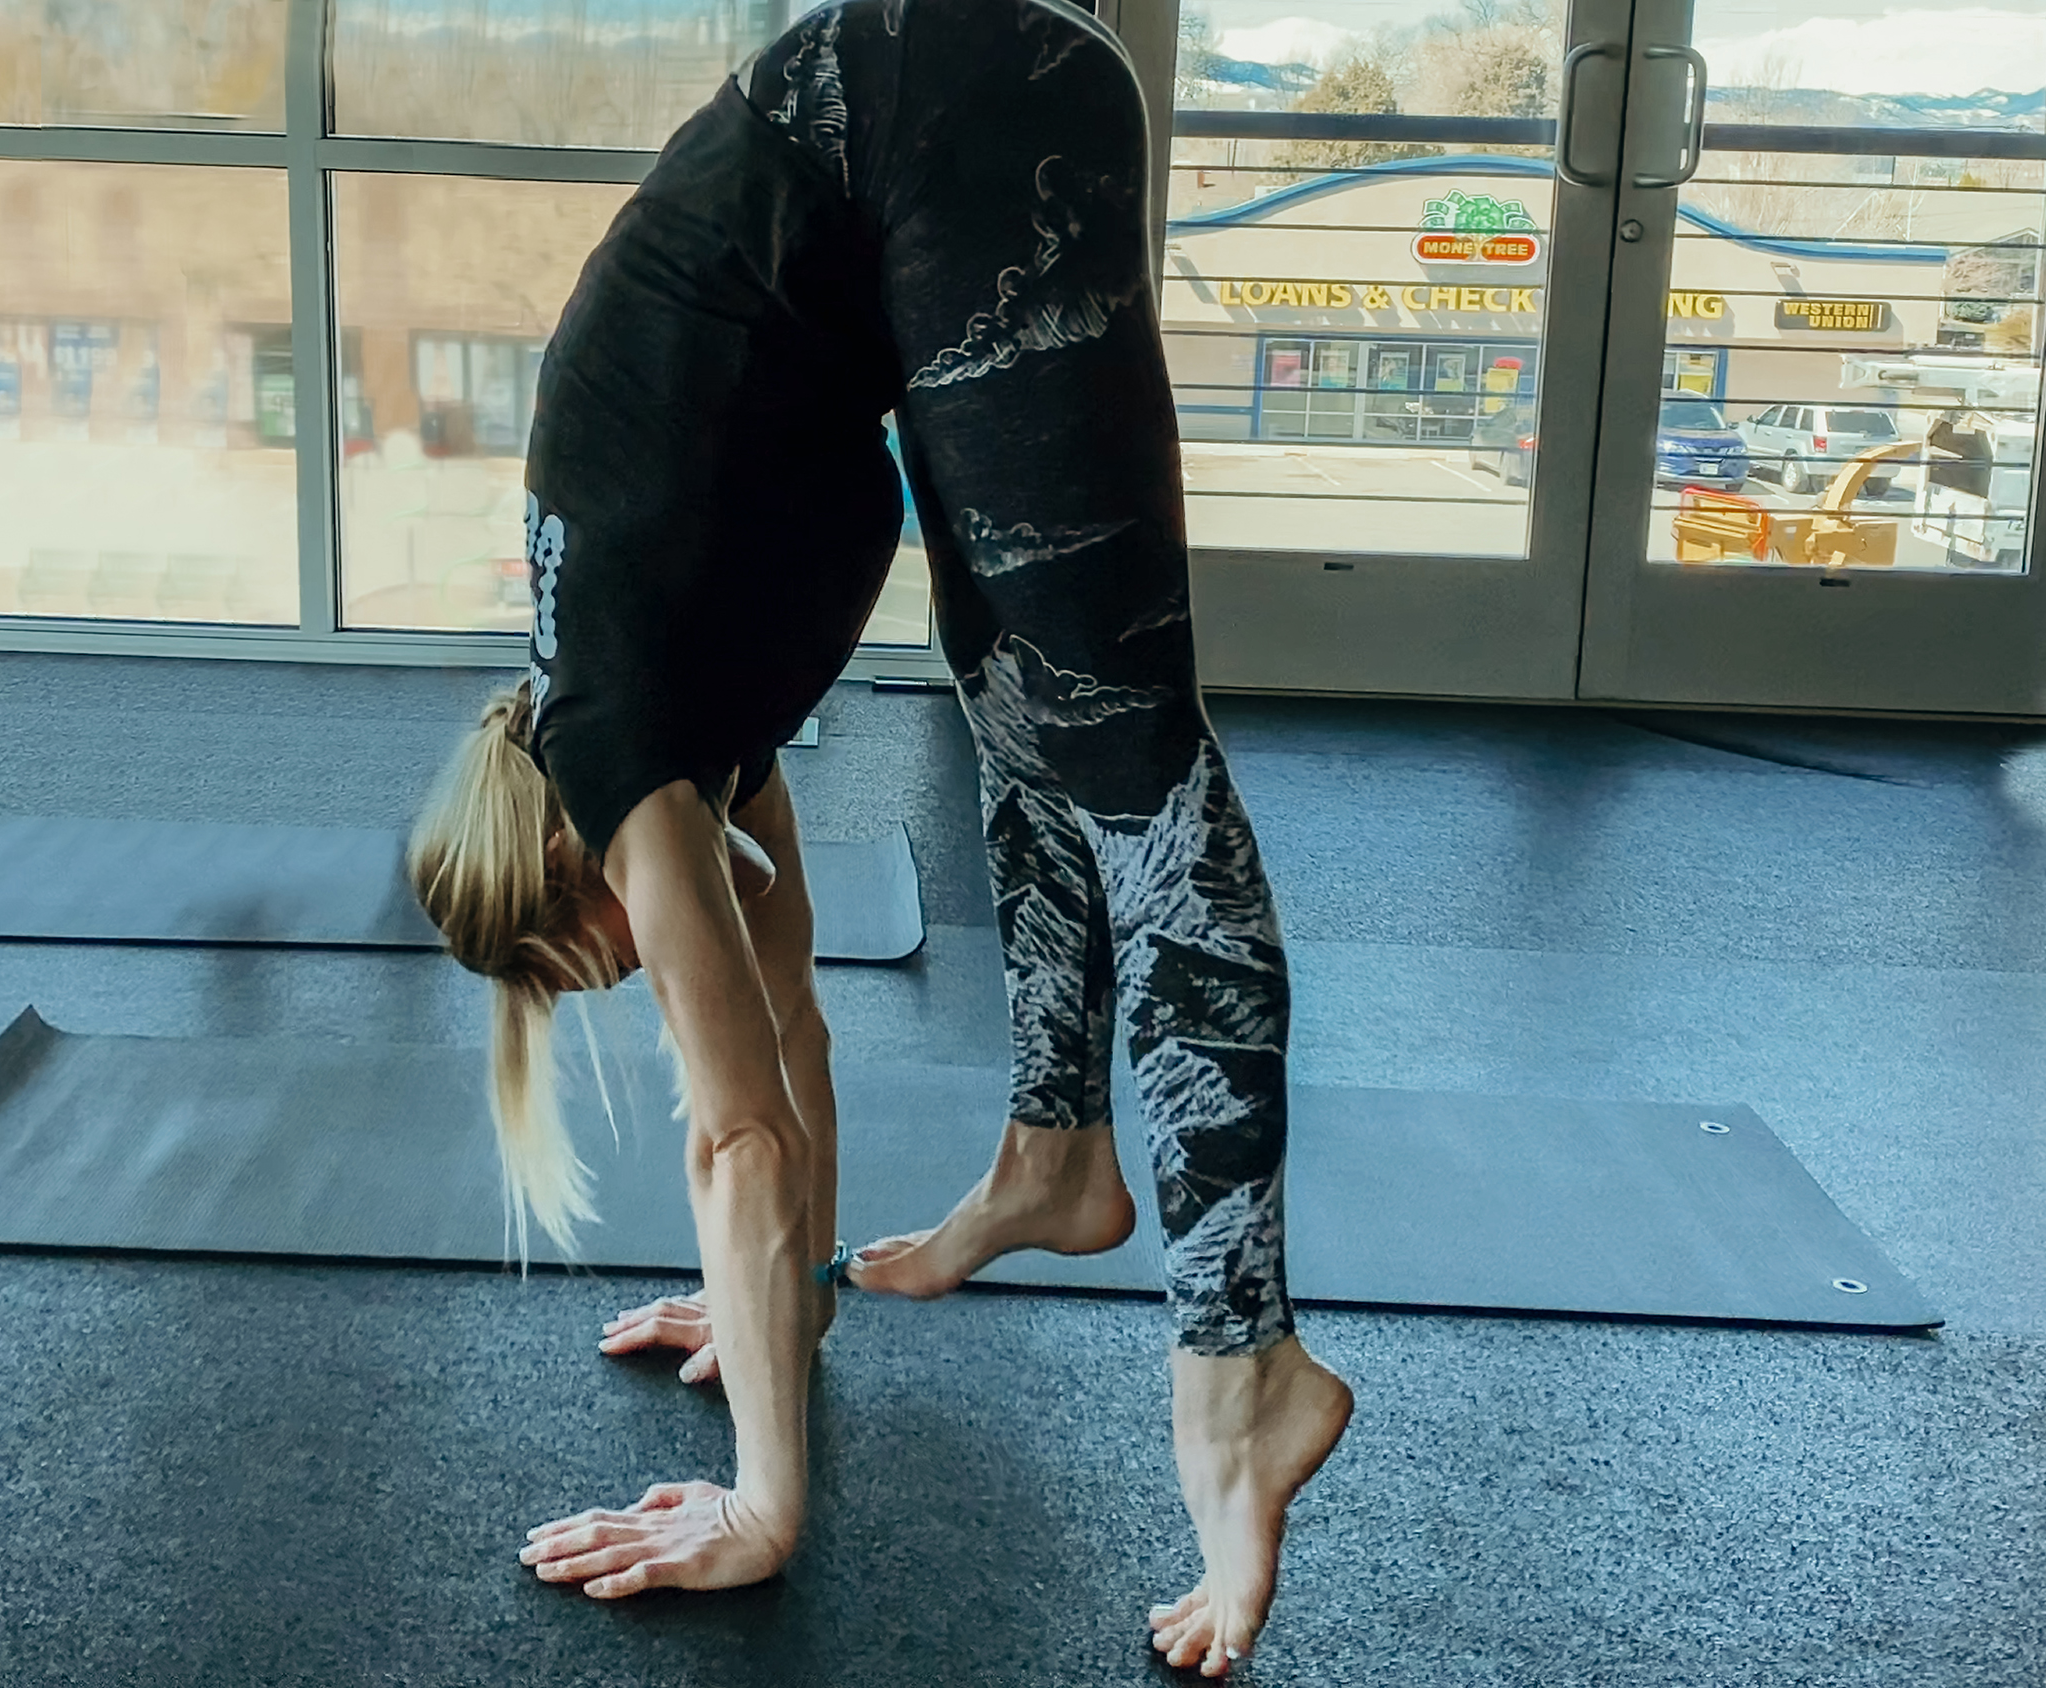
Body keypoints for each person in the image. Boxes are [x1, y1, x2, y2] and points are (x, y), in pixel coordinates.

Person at [407, 0, 1352, 1673]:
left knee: (1128, 766)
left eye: (586, 961)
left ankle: (1246, 1362)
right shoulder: (672, 709)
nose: (628, 967)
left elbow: (735, 1140)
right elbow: (784, 1043)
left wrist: (764, 1508)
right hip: (921, 156)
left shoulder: (617, 749)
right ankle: (1058, 1160)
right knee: (1025, 719)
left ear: (569, 875)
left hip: (943, 115)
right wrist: (790, 1301)